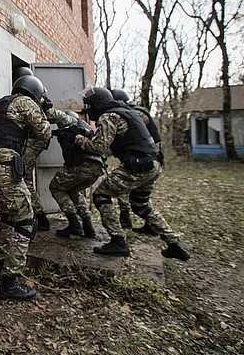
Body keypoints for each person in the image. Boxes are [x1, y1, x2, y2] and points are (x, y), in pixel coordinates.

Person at [73, 87, 190, 261]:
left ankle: (118, 241)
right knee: (141, 205)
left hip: (138, 166)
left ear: (98, 104)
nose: (87, 109)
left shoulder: (108, 116)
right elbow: (115, 142)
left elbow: (99, 148)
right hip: (154, 163)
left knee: (101, 196)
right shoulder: (126, 112)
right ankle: (174, 244)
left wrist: (79, 140)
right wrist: (90, 133)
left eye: (89, 105)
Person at [0, 75, 52, 300]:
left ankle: (0, 263)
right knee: (25, 222)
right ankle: (10, 283)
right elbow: (44, 132)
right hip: (5, 169)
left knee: (9, 217)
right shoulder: (25, 103)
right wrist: (44, 111)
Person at [110, 88, 161, 235]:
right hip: (146, 157)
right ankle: (151, 224)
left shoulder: (133, 114)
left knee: (127, 189)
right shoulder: (137, 111)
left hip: (141, 158)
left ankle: (126, 218)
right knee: (141, 194)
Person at [12, 67, 55, 231]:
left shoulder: (34, 99)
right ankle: (38, 218)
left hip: (33, 141)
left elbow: (46, 123)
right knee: (25, 178)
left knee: (24, 178)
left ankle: (40, 219)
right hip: (32, 141)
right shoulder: (36, 95)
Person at [50, 111, 104, 238]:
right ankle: (88, 227)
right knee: (73, 191)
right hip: (97, 167)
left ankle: (74, 225)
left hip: (81, 164)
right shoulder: (85, 128)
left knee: (55, 188)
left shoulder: (68, 130)